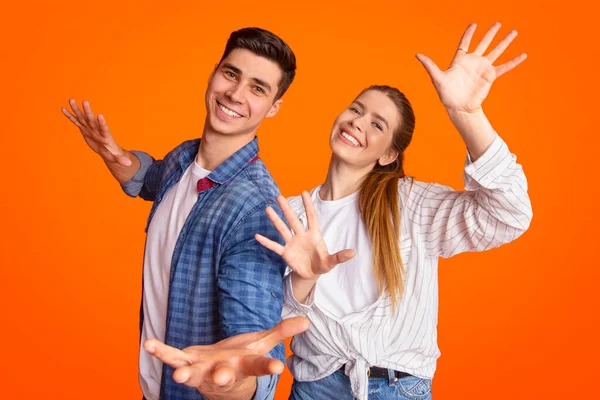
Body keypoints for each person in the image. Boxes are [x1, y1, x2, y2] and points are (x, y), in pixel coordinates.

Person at [253, 22, 533, 399]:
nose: (357, 122)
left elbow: (509, 214)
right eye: (356, 109)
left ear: (388, 155)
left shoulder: (411, 204)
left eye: (377, 124)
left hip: (399, 388)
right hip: (315, 389)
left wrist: (465, 112)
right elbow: (268, 326)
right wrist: (302, 281)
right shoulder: (292, 216)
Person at [61, 27, 309, 400]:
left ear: (273, 108)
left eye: (258, 88)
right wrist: (115, 156)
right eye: (231, 74)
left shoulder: (256, 208)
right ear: (213, 73)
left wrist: (232, 383)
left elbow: (254, 340)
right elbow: (150, 180)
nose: (235, 94)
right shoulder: (184, 159)